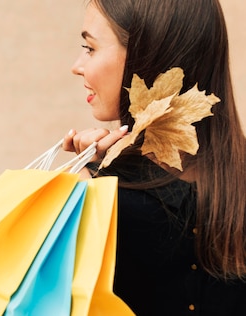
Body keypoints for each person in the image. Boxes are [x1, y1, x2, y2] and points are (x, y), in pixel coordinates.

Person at [61, 0, 246, 315]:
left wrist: (90, 192)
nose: (77, 65)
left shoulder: (112, 202)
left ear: (147, 56)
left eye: (90, 48)